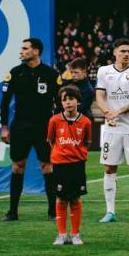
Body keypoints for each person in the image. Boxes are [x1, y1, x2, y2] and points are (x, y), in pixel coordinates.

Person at [0, 38, 61, 222]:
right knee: (18, 166)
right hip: (20, 127)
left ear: (36, 51)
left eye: (25, 48)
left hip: (43, 127)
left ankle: (52, 211)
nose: (22, 51)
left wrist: (57, 127)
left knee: (47, 166)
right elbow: (4, 102)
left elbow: (59, 103)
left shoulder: (51, 74)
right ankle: (12, 212)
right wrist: (4, 127)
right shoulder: (15, 73)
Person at [95, 38, 129, 223]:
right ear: (115, 52)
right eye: (123, 51)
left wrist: (117, 111)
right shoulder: (104, 71)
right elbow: (100, 96)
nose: (126, 54)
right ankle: (110, 212)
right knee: (109, 168)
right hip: (112, 128)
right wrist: (107, 113)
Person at [47, 85, 92, 245]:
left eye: (71, 99)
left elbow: (87, 142)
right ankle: (61, 234)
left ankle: (75, 234)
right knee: (60, 199)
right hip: (60, 164)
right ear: (61, 102)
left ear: (78, 101)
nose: (68, 103)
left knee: (75, 199)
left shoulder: (85, 122)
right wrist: (60, 153)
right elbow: (51, 141)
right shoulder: (54, 120)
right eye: (64, 100)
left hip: (77, 165)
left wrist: (77, 154)